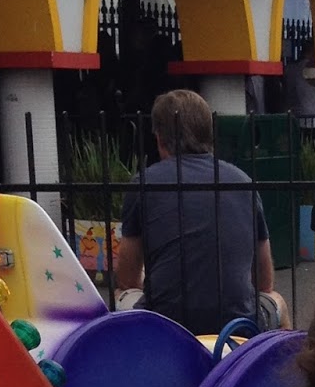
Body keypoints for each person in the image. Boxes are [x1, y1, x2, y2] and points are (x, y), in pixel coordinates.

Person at [114, 90, 291, 337]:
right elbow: (264, 282)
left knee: (121, 295)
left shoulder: (144, 183)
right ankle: (277, 358)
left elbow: (127, 278)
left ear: (159, 138)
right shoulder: (243, 181)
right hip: (238, 323)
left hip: (166, 323)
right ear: (210, 134)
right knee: (278, 302)